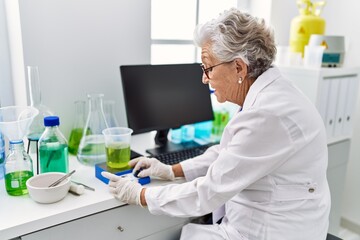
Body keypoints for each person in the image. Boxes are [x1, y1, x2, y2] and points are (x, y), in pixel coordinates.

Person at [101, 8, 331, 240]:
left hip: (274, 231)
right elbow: (228, 154)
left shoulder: (268, 114)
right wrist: (171, 170)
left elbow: (208, 192)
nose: (204, 78)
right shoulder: (268, 94)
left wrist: (141, 195)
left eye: (207, 68)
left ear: (239, 67)